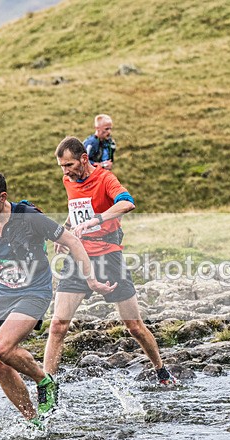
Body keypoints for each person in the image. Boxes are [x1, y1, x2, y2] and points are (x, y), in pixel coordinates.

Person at [0, 170, 114, 427]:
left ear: (2, 197)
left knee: (2, 348)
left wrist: (90, 279)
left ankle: (44, 380)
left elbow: (73, 241)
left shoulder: (29, 217)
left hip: (35, 291)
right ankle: (34, 421)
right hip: (4, 293)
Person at [42, 136, 177, 408]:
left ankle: (161, 370)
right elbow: (75, 212)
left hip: (109, 258)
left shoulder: (105, 179)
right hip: (78, 257)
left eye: (68, 164)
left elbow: (127, 203)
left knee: (134, 327)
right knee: (58, 325)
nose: (65, 171)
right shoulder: (68, 181)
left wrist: (98, 219)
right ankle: (48, 388)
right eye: (60, 166)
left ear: (84, 159)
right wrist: (63, 232)